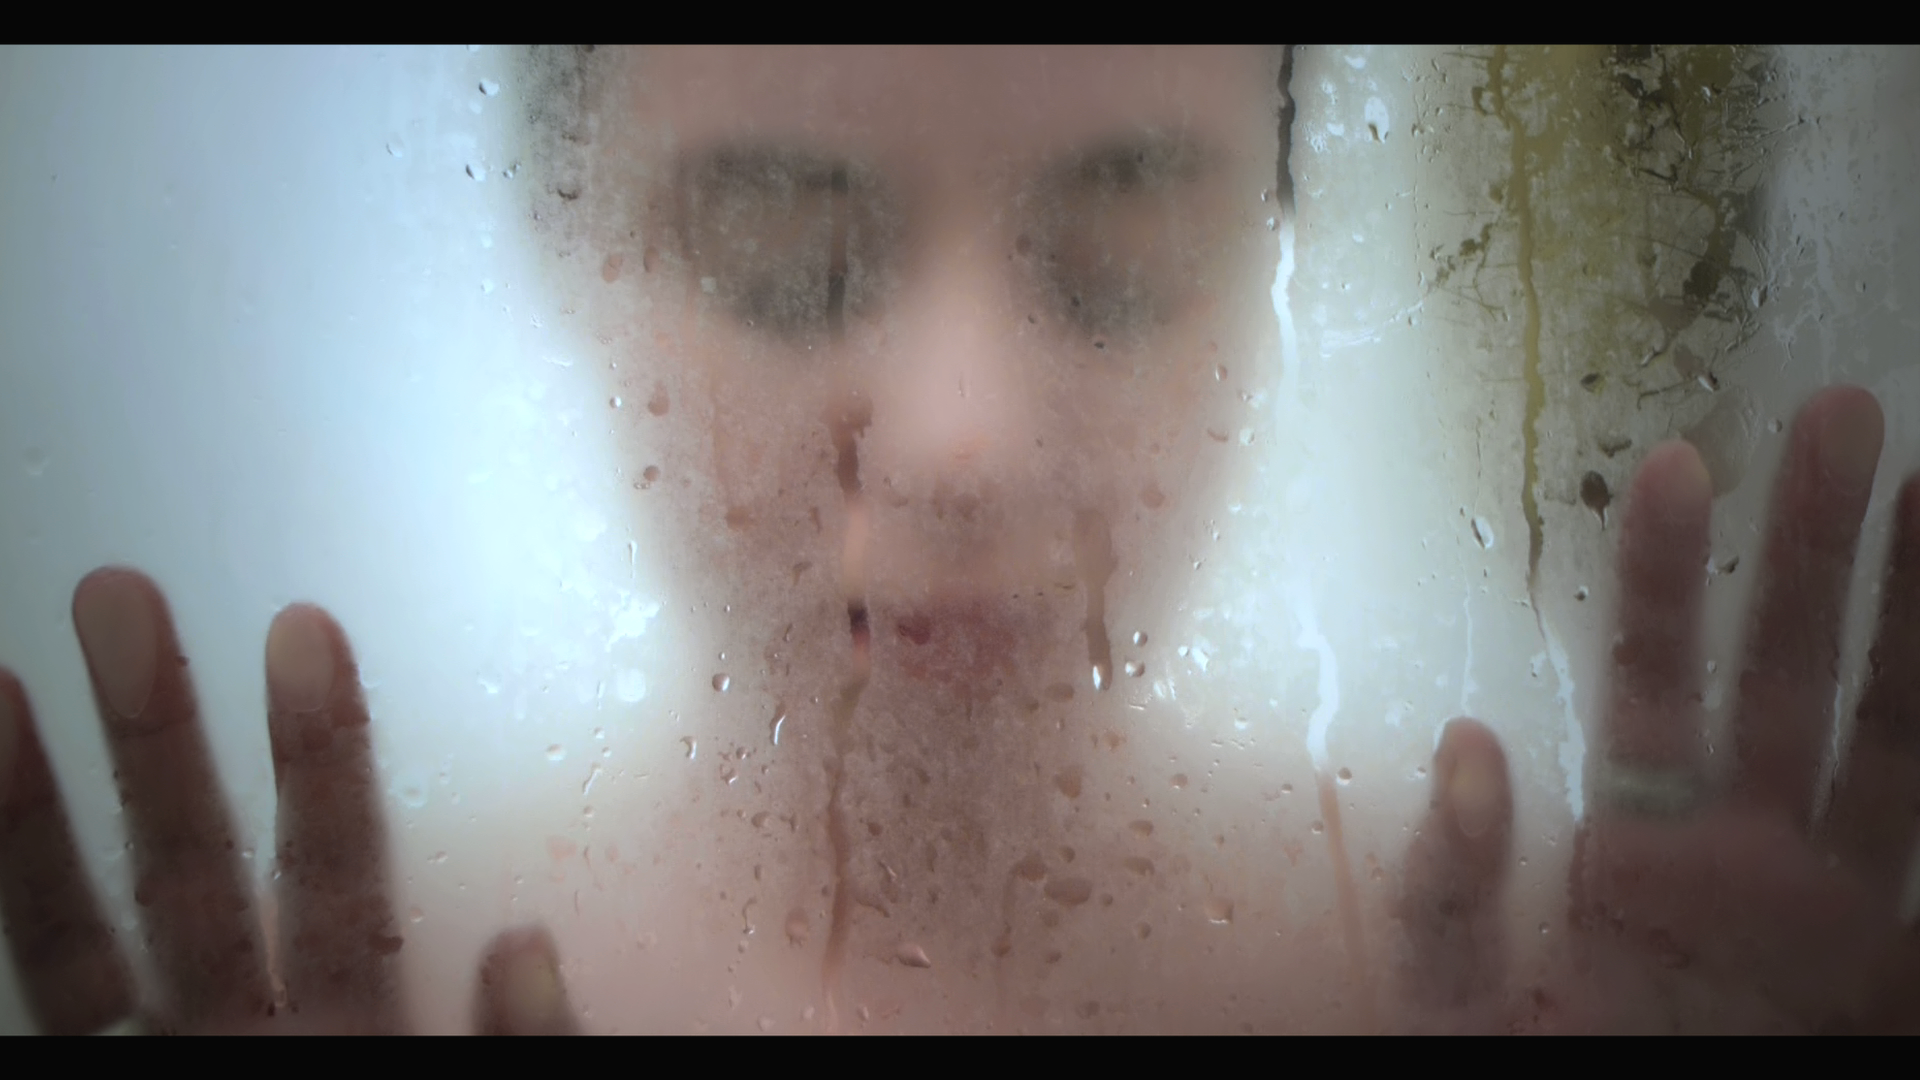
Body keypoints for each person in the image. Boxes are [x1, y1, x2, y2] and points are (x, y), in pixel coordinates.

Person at [3, 45, 1917, 1033]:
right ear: (574, 249)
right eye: (783, 246)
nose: (959, 445)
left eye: (1123, 247)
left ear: (1268, 260)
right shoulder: (345, 988)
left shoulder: (1538, 971)